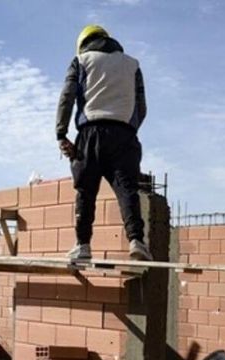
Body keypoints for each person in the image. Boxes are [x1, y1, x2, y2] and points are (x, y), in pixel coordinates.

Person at [56, 24, 152, 262]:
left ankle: (83, 245)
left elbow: (67, 97)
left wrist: (61, 133)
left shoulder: (81, 60)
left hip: (91, 133)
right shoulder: (132, 64)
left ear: (84, 44)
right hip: (124, 135)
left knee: (86, 191)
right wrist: (128, 130)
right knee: (127, 189)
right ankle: (136, 241)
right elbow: (141, 107)